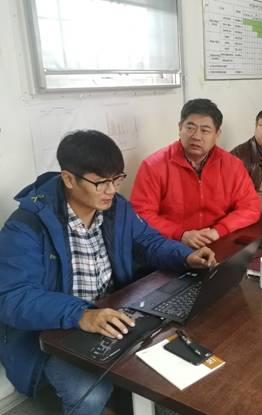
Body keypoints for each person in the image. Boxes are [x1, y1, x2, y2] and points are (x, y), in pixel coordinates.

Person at [0, 130, 216, 415]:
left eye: (117, 179)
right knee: (89, 395)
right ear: (68, 179)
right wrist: (81, 314)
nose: (111, 190)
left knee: (185, 345)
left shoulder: (117, 208)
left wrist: (185, 256)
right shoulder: (27, 226)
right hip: (57, 330)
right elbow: (12, 297)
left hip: (112, 314)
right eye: (101, 182)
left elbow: (147, 242)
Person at [131, 98, 261, 249]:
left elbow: (250, 207)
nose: (196, 136)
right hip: (171, 245)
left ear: (217, 134)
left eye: (205, 130)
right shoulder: (153, 165)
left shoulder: (232, 165)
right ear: (180, 128)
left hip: (217, 241)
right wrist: (181, 234)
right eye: (190, 128)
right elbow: (141, 213)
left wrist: (218, 231)